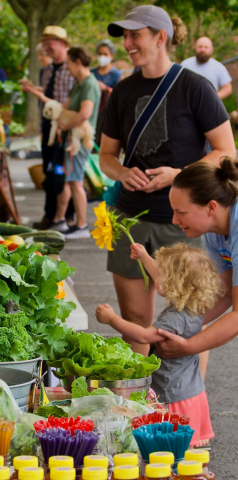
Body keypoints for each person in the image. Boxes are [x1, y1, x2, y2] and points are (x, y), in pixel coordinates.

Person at [98, 4, 236, 357]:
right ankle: (142, 406)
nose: (127, 43)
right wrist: (122, 172)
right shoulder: (122, 92)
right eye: (124, 36)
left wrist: (179, 176)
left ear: (161, 37)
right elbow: (106, 158)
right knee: (135, 319)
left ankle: (186, 404)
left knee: (188, 316)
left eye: (135, 35)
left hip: (185, 223)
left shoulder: (195, 87)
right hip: (130, 219)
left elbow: (226, 151)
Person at [96, 242, 223, 447]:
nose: (157, 278)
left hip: (172, 393)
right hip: (191, 390)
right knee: (187, 444)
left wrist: (112, 319)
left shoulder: (174, 318)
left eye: (162, 274)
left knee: (169, 446)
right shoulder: (196, 307)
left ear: (175, 284)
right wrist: (144, 256)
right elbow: (159, 275)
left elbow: (144, 336)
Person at [154, 159, 238, 364]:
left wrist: (188, 346)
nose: (174, 220)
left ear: (211, 207)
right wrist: (174, 326)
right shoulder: (214, 230)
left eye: (181, 212)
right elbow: (224, 291)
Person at [25, 46, 100, 239]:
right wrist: (39, 95)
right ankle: (62, 220)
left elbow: (85, 113)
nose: (66, 67)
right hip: (69, 140)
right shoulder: (78, 84)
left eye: (68, 63)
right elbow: (62, 107)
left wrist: (64, 126)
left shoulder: (89, 84)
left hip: (79, 140)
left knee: (75, 182)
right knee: (68, 181)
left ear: (77, 62)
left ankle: (81, 225)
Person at [20, 26, 75, 230]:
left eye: (49, 43)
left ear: (62, 44)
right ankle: (51, 214)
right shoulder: (47, 70)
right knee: (48, 172)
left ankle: (65, 216)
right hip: (48, 127)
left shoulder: (71, 68)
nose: (46, 47)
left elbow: (66, 102)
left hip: (64, 129)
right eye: (44, 43)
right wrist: (34, 89)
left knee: (61, 174)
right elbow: (49, 95)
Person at [91, 40, 122, 146]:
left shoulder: (116, 74)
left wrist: (105, 88)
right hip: (91, 112)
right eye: (100, 54)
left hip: (107, 116)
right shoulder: (91, 72)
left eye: (105, 54)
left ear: (111, 56)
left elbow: (120, 96)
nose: (102, 57)